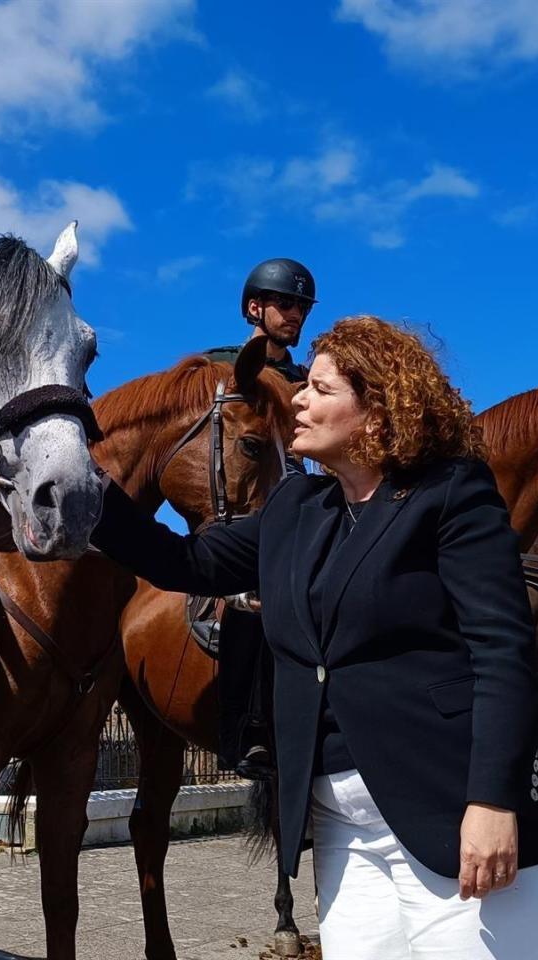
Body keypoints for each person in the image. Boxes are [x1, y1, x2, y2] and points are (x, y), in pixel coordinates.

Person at [91, 317, 538, 958]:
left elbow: (503, 653)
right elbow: (190, 563)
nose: (296, 398)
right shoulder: (297, 510)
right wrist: (84, 485)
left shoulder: (451, 495)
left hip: (456, 814)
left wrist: (493, 800)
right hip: (343, 828)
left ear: (378, 411)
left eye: (319, 389)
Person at [197, 257, 317, 778]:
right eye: (285, 304)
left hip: (301, 500)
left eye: (302, 307)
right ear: (255, 307)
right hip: (238, 505)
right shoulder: (218, 366)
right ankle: (242, 733)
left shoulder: (308, 378)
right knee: (253, 600)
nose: (295, 314)